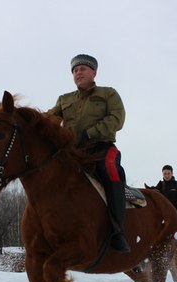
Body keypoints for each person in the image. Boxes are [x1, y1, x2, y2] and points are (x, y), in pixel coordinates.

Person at [47, 54, 130, 253]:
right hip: (73, 152)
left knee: (111, 169)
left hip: (101, 148)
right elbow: (47, 119)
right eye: (75, 70)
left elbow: (117, 118)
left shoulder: (108, 93)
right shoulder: (64, 99)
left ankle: (118, 231)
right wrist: (20, 116)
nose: (78, 73)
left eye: (82, 69)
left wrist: (89, 133)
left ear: (94, 72)